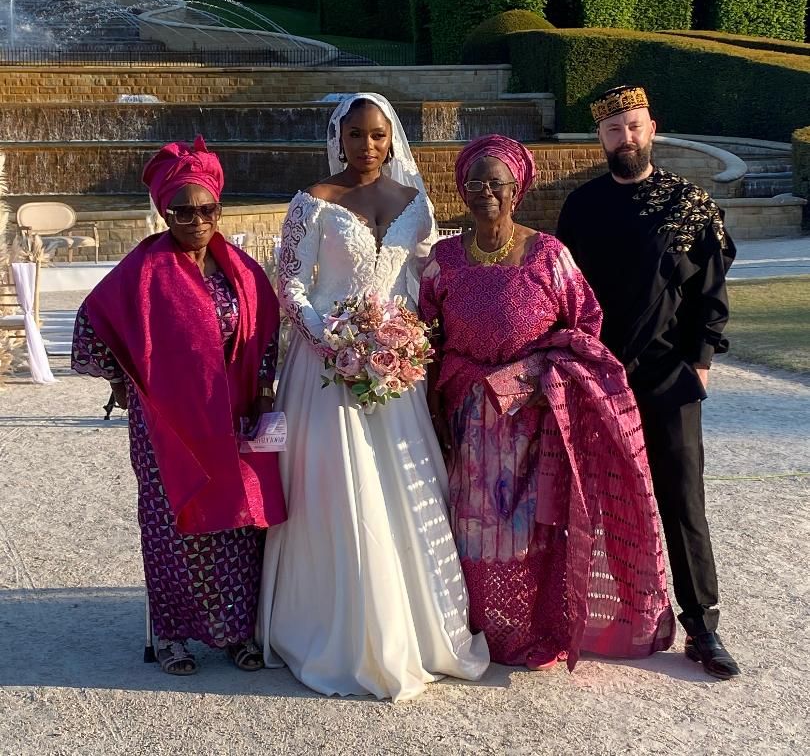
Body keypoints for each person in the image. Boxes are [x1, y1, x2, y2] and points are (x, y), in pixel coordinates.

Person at [256, 93, 489, 701]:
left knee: (405, 487)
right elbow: (290, 286)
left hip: (393, 368)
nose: (367, 146)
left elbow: (425, 279)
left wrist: (407, 340)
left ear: (393, 141)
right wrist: (332, 343)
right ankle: (341, 629)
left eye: (378, 136)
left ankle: (419, 627)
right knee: (336, 490)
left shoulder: (416, 206)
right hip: (325, 369)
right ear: (339, 137)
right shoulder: (312, 202)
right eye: (356, 134)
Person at [419, 135, 674, 672]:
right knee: (469, 521)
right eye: (475, 182)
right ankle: (475, 628)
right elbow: (426, 331)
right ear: (462, 191)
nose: (485, 191)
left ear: (517, 190)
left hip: (534, 415)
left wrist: (545, 376)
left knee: (527, 524)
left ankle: (531, 628)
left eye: (496, 182)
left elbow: (585, 324)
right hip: (466, 410)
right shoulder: (443, 259)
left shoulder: (549, 255)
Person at [72, 136, 285, 676]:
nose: (195, 219)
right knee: (174, 527)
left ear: (220, 207)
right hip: (167, 428)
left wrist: (263, 394)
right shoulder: (144, 269)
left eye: (206, 208)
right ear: (165, 211)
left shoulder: (243, 270)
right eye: (181, 210)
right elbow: (91, 322)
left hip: (233, 419)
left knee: (239, 525)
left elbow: (266, 338)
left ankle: (237, 633)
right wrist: (124, 382)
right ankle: (171, 635)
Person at [556, 86, 740, 679]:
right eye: (613, 130)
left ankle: (703, 627)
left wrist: (701, 362)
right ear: (600, 137)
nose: (625, 138)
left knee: (683, 499)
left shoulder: (689, 205)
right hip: (598, 378)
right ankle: (601, 616)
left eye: (633, 126)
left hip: (668, 379)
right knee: (594, 500)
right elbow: (563, 298)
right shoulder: (581, 208)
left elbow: (710, 293)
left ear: (652, 127)